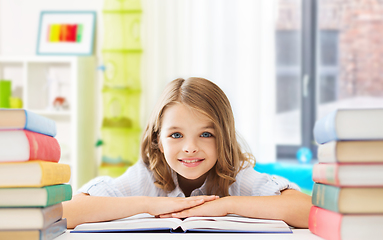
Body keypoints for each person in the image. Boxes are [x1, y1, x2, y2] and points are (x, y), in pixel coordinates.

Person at [63, 77, 312, 229]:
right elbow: (66, 211)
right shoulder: (146, 176)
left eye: (206, 134)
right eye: (176, 135)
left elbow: (308, 210)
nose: (190, 147)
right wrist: (150, 204)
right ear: (158, 140)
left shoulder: (237, 176)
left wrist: (225, 206)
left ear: (223, 138)